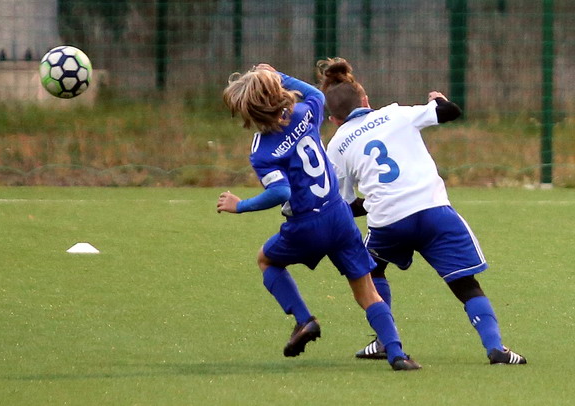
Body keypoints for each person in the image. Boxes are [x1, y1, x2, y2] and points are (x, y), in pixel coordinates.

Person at [317, 57, 526, 365]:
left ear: (334, 120)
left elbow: (345, 205)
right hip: (434, 213)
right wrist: (438, 99)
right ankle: (496, 348)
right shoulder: (396, 113)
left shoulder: (336, 146)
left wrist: (375, 200)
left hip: (388, 223)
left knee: (371, 272)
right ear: (366, 101)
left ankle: (385, 341)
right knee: (464, 283)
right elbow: (450, 112)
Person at [217, 63, 421, 370]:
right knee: (366, 291)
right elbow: (316, 94)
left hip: (306, 225)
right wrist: (279, 75)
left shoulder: (262, 151)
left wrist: (241, 205)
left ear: (249, 113)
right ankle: (396, 353)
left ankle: (304, 320)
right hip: (339, 215)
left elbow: (280, 192)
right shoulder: (304, 112)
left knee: (266, 260)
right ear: (277, 92)